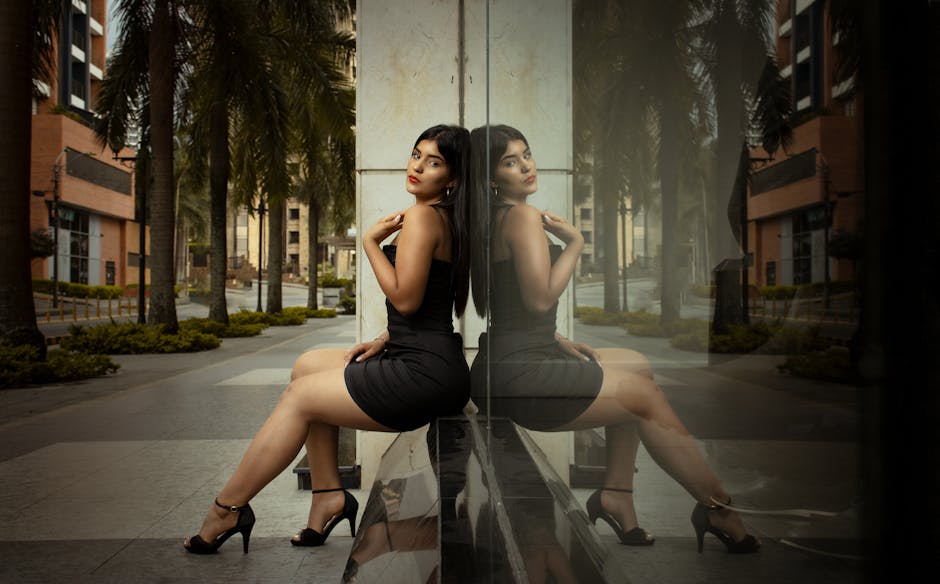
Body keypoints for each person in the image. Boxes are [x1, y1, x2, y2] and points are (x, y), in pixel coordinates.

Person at [468, 124, 759, 554]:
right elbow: (539, 297)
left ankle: (616, 498)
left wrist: (556, 338)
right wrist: (575, 243)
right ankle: (719, 507)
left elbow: (511, 302)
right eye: (510, 161)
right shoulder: (522, 217)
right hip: (520, 375)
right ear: (492, 178)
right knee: (642, 396)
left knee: (636, 365)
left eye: (526, 154)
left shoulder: (495, 219)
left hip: (508, 361)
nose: (527, 166)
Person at [184, 124, 473, 554]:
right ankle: (328, 498)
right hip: (433, 361)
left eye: (434, 162)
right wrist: (388, 335)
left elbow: (408, 299)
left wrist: (372, 244)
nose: (417, 167)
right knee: (309, 365)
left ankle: (227, 508)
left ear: (450, 179)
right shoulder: (445, 217)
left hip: (424, 374)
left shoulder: (422, 216)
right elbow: (430, 300)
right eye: (416, 155)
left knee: (301, 397)